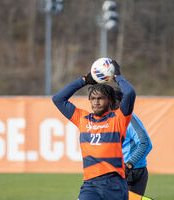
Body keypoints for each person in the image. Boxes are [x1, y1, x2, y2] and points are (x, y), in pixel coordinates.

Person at [52, 60, 136, 200]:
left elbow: (130, 94)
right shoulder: (82, 118)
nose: (96, 102)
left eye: (100, 99)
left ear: (110, 101)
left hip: (114, 184)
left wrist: (118, 77)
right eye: (93, 99)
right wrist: (84, 80)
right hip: (90, 185)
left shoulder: (118, 119)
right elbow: (58, 99)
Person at [114, 89, 152, 197]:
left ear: (118, 102)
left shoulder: (129, 119)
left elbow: (145, 143)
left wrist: (129, 165)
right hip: (114, 171)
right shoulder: (110, 118)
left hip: (132, 172)